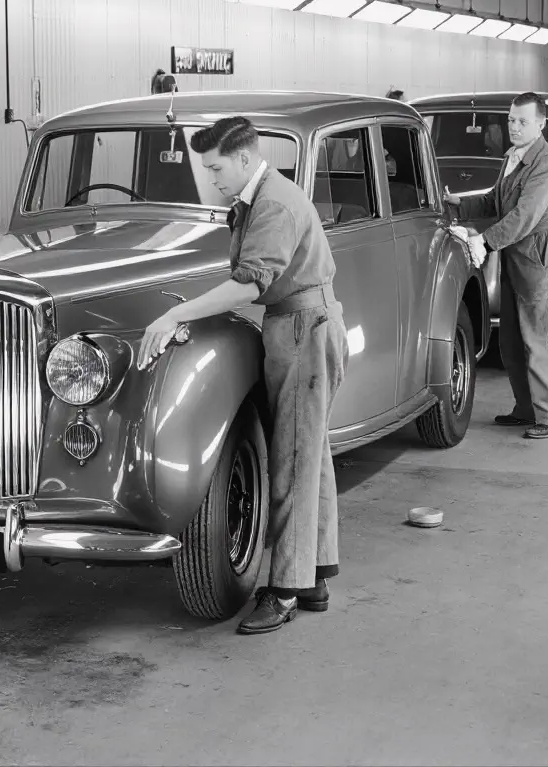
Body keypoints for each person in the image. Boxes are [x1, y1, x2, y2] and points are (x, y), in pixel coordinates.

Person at [136, 116, 348, 635]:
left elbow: (249, 285)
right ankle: (315, 575)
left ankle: (283, 592)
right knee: (310, 455)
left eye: (216, 168)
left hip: (302, 327)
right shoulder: (258, 198)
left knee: (291, 462)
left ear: (246, 158)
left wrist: (175, 315)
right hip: (297, 324)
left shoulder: (273, 203)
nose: (212, 179)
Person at [444, 92, 548, 440]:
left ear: (541, 124)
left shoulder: (546, 163)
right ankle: (527, 408)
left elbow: (524, 216)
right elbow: (496, 201)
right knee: (513, 339)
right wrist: (458, 204)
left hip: (537, 254)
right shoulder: (514, 157)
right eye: (511, 120)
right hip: (516, 253)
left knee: (540, 337)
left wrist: (483, 241)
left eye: (522, 121)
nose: (513, 126)